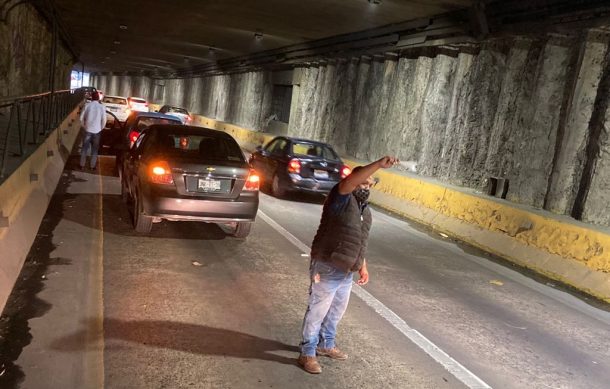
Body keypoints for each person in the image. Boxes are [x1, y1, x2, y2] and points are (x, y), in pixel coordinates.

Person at [298, 155, 399, 374]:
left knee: (336, 311)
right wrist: (379, 164)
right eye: (363, 182)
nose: (366, 187)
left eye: (369, 184)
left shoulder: (365, 210)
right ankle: (308, 352)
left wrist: (362, 265)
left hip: (347, 271)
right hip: (327, 264)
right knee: (318, 310)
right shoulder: (340, 197)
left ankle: (326, 345)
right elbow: (350, 182)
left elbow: (360, 240)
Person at [79, 91, 107, 171]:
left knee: (84, 148)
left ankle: (82, 165)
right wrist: (101, 128)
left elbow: (81, 118)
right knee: (95, 149)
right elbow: (104, 120)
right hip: (97, 131)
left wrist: (84, 126)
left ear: (91, 97)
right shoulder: (102, 107)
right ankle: (92, 166)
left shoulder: (87, 105)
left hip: (87, 130)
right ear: (98, 98)